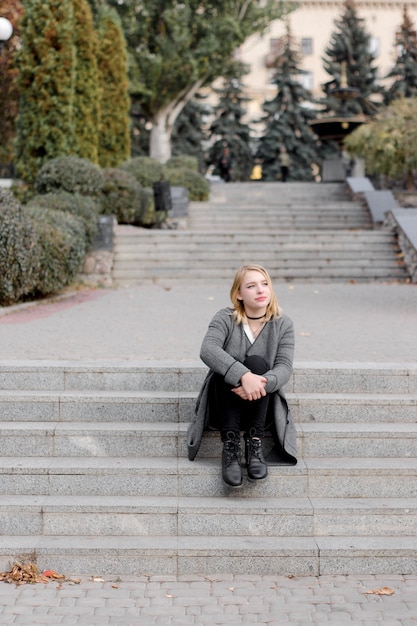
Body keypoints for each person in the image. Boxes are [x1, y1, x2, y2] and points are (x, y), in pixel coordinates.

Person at [187, 264, 297, 488]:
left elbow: (284, 367)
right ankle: (230, 447)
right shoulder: (225, 318)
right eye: (251, 285)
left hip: (262, 409)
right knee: (227, 368)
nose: (260, 290)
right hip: (224, 406)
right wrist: (242, 376)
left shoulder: (283, 324)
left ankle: (254, 444)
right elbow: (207, 349)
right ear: (238, 294)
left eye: (264, 284)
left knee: (259, 364)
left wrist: (262, 382)